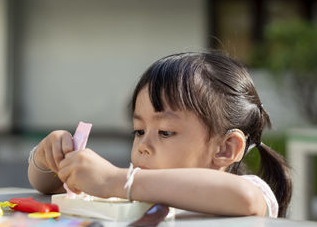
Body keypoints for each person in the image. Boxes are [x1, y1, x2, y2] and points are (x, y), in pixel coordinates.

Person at [28, 51, 292, 218]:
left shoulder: (248, 192)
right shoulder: (138, 184)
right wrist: (48, 159)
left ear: (224, 149)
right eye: (139, 130)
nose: (143, 145)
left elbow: (245, 198)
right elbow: (45, 187)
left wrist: (116, 180)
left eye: (165, 132)